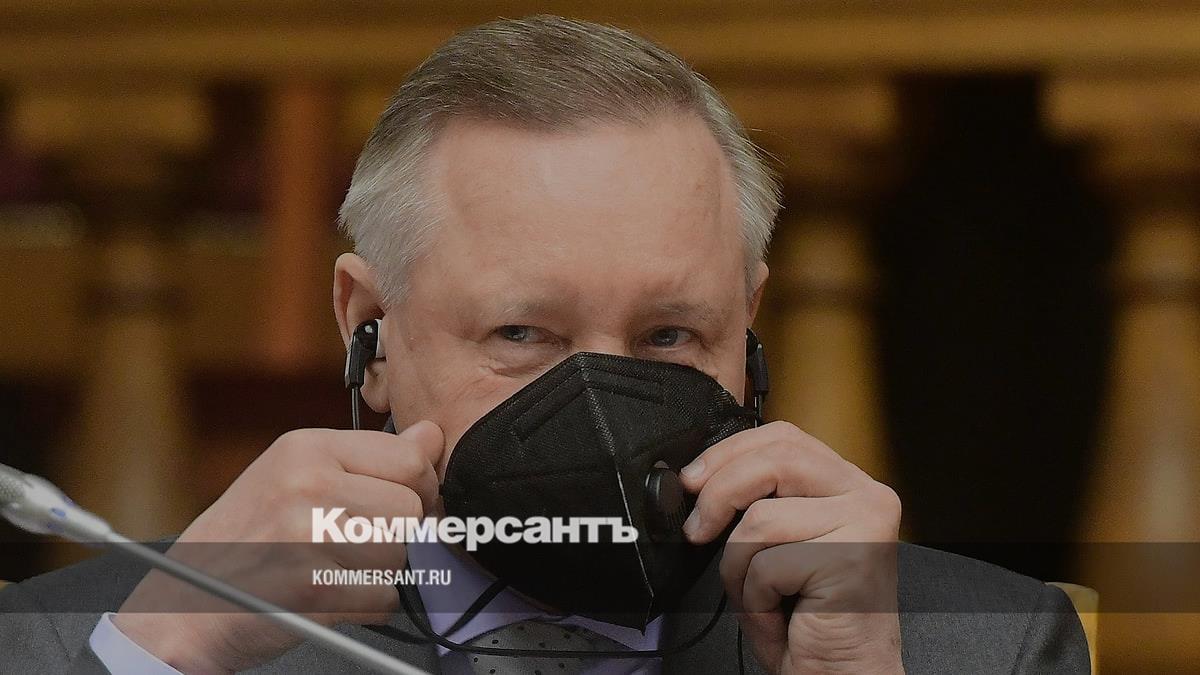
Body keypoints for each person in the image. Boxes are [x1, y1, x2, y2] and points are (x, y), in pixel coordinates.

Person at [0, 15, 1088, 674]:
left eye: (669, 334)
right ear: (368, 331)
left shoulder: (981, 645)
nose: (601, 406)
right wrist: (168, 655)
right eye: (522, 333)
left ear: (748, 330)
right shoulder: (68, 645)